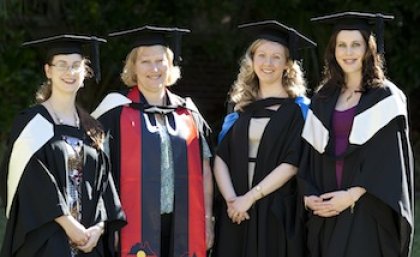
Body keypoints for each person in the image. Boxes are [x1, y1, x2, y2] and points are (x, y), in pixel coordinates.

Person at [298, 12, 414, 257]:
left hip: (367, 207)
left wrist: (351, 196)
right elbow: (308, 155)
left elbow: (389, 160)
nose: (348, 52)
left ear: (368, 50)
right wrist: (309, 195)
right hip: (327, 207)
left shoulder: (384, 97)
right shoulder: (323, 97)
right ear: (333, 50)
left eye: (355, 45)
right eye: (342, 45)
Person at [91, 25, 213, 257]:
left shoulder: (188, 113)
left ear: (169, 65)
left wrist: (207, 219)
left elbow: (205, 170)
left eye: (160, 60)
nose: (154, 68)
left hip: (183, 222)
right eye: (145, 61)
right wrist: (111, 223)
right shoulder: (114, 113)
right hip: (132, 223)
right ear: (133, 68)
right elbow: (101, 175)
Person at [0, 35, 126, 257]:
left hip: (89, 243)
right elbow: (33, 183)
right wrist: (69, 226)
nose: (70, 72)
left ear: (85, 73)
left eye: (76, 65)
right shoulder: (31, 124)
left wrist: (98, 229)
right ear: (48, 71)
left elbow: (105, 186)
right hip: (47, 242)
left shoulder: (92, 128)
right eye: (62, 65)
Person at [212, 20, 315, 257]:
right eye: (262, 55)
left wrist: (250, 198)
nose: (268, 63)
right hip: (236, 210)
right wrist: (231, 201)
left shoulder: (298, 110)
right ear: (252, 59)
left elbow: (292, 163)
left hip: (275, 208)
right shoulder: (240, 108)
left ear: (288, 64)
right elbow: (221, 158)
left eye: (276, 57)